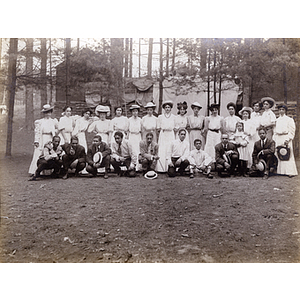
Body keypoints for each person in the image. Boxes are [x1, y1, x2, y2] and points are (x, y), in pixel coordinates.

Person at [28, 104, 58, 176]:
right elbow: (37, 132)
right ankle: (36, 170)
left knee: (50, 153)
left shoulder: (53, 121)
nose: (48, 114)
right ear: (44, 113)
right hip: (42, 138)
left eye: (49, 112)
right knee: (39, 153)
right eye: (46, 112)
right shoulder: (40, 122)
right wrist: (36, 141)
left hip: (50, 138)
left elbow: (57, 129)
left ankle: (50, 171)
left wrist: (54, 132)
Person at [273, 104, 298, 177]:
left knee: (287, 154)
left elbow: (292, 130)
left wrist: (288, 139)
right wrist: (274, 139)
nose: (281, 111)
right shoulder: (277, 120)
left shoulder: (289, 120)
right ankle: (280, 171)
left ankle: (290, 171)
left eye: (282, 110)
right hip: (278, 137)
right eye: (280, 109)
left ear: (285, 111)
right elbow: (274, 131)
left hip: (285, 137)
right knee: (279, 153)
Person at [156, 100, 176, 172]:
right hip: (163, 134)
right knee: (162, 149)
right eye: (166, 107)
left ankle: (170, 167)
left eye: (169, 107)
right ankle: (161, 168)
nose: (167, 109)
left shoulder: (174, 117)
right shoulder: (160, 117)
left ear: (171, 108)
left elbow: (176, 127)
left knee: (170, 149)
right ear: (164, 108)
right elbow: (158, 127)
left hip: (170, 134)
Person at [128, 104, 142, 169]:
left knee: (138, 150)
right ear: (131, 112)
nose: (135, 113)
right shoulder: (129, 120)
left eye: (136, 111)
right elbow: (127, 130)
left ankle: (139, 166)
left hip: (138, 136)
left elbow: (141, 129)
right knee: (132, 150)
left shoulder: (140, 120)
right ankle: (132, 165)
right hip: (132, 136)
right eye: (133, 111)